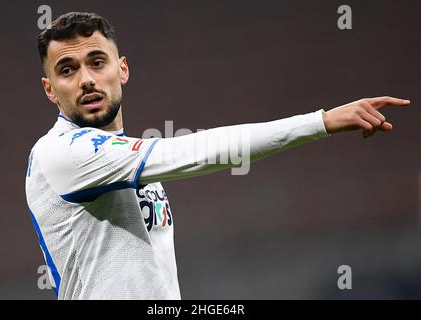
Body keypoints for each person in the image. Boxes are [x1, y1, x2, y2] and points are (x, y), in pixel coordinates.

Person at [25, 11, 410, 299]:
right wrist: (320, 121)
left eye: (97, 62)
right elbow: (201, 151)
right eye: (67, 70)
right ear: (49, 89)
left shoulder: (127, 159)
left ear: (121, 69)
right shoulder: (59, 153)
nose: (87, 79)